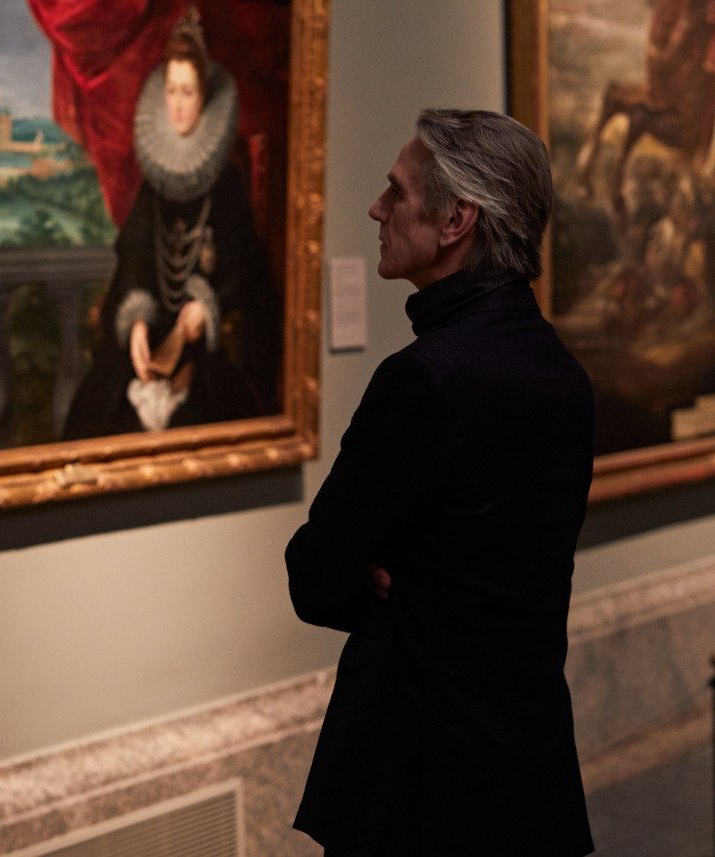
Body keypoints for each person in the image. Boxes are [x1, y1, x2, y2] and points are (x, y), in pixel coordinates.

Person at [285, 109, 596, 856]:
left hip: (419, 778)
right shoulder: (565, 375)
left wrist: (377, 578)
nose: (377, 209)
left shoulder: (424, 380)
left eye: (397, 192)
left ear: (456, 220)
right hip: (526, 769)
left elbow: (314, 574)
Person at [62, 8, 278, 440]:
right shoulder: (154, 181)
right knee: (95, 417)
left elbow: (245, 269)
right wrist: (137, 322)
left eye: (188, 92)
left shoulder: (226, 182)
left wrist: (208, 305)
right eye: (172, 91)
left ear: (204, 97)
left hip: (204, 347)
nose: (178, 104)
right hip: (155, 335)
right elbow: (134, 258)